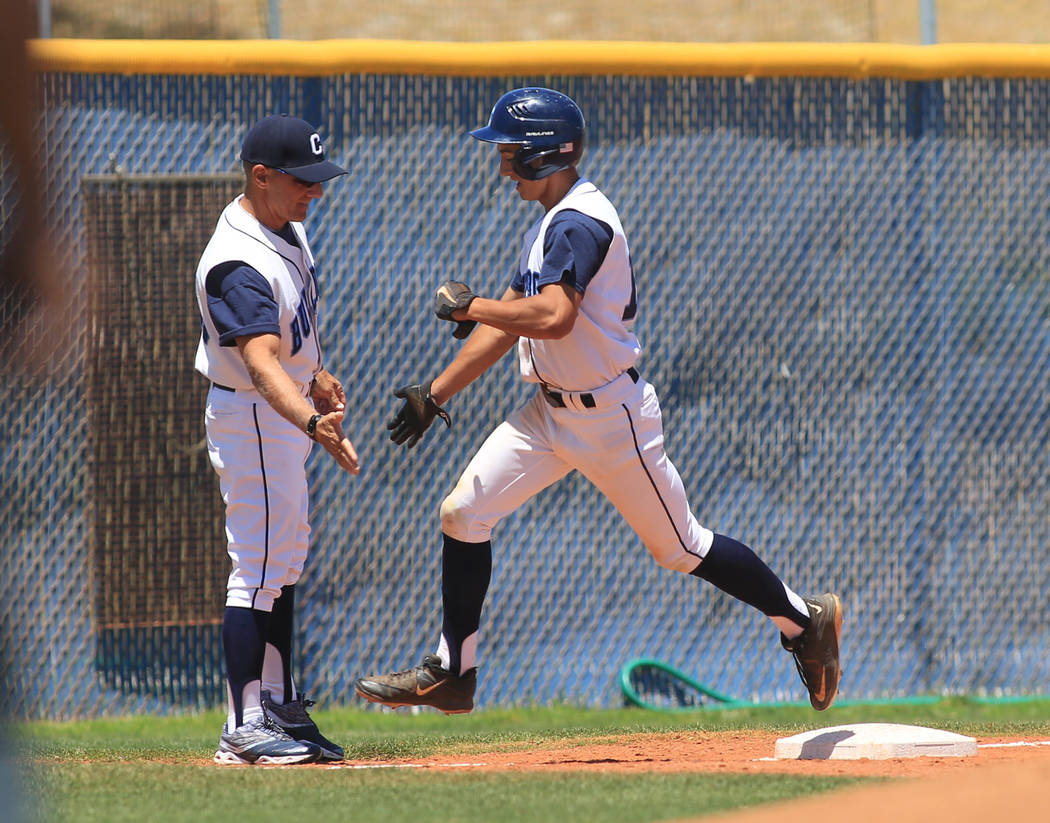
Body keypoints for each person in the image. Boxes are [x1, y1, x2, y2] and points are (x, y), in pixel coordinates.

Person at [355, 87, 842, 715]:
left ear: (543, 154)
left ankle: (805, 621)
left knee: (681, 548)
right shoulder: (548, 225)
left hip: (611, 420)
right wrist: (435, 392)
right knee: (463, 512)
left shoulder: (581, 221)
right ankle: (454, 671)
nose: (502, 164)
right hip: (548, 415)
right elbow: (510, 323)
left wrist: (470, 304)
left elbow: (554, 316)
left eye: (510, 151)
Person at [194, 114, 360, 765]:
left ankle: (279, 705)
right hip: (255, 418)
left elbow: (286, 345)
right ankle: (243, 724)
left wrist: (314, 374)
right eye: (303, 179)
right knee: (258, 569)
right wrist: (312, 420)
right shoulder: (238, 260)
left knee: (282, 561)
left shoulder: (282, 226)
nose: (314, 191)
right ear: (261, 176)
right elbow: (261, 363)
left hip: (277, 416)